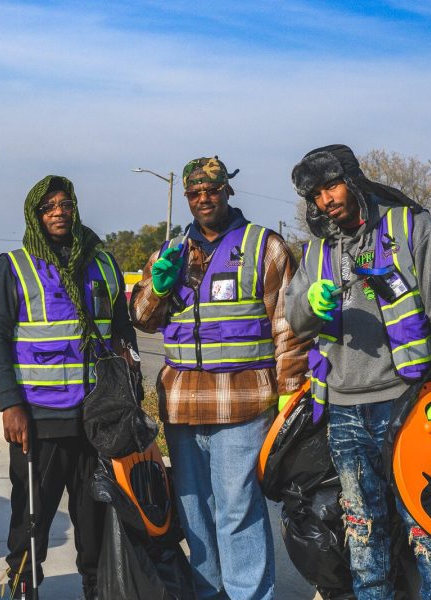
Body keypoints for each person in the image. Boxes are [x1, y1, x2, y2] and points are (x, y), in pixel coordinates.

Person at [287, 144, 431, 599]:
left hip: (408, 403)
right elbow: (293, 317)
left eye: (332, 186)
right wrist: (309, 307)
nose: (326, 200)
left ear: (353, 179)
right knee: (363, 531)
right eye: (316, 195)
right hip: (345, 410)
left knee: (428, 527)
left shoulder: (412, 228)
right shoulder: (317, 250)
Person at [130, 156, 310, 600]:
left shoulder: (264, 246)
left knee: (237, 509)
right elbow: (143, 319)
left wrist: (289, 394)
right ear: (188, 198)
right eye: (195, 193)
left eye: (212, 190)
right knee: (194, 512)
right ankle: (208, 593)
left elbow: (287, 326)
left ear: (227, 191)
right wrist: (158, 285)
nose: (203, 198)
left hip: (243, 406)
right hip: (182, 407)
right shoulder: (169, 251)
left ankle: (249, 595)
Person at [0, 175, 138, 600]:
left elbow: (122, 335)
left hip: (98, 422)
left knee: (97, 527)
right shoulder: (14, 266)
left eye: (65, 204)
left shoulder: (103, 263)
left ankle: (96, 592)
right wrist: (10, 404)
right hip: (39, 420)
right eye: (48, 207)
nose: (58, 212)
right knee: (30, 527)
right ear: (35, 215)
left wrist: (129, 400)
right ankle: (22, 591)